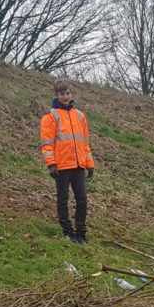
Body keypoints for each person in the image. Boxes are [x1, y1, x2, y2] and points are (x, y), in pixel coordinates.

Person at [40, 78, 95, 243]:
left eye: (68, 93)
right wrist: (51, 164)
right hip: (62, 165)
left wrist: (89, 164)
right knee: (63, 199)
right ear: (57, 95)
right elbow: (47, 144)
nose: (65, 96)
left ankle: (81, 233)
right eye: (62, 93)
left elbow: (85, 143)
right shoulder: (50, 117)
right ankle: (67, 231)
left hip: (79, 165)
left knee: (82, 200)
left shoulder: (80, 116)